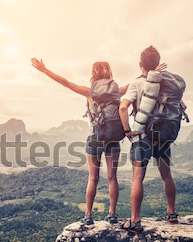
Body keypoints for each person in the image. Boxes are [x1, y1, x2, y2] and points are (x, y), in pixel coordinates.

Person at [31, 58, 127, 225]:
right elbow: (137, 84)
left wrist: (45, 71)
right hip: (112, 138)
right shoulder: (117, 91)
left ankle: (88, 216)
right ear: (109, 74)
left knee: (93, 178)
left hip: (94, 138)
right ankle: (112, 214)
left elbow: (66, 83)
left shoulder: (89, 92)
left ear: (94, 74)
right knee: (112, 178)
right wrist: (151, 72)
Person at [119, 45, 181, 234]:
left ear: (140, 64)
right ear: (158, 63)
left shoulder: (136, 84)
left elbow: (123, 107)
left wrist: (127, 131)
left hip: (142, 135)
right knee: (166, 174)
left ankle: (135, 220)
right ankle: (171, 214)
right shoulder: (167, 82)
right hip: (162, 135)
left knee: (138, 177)